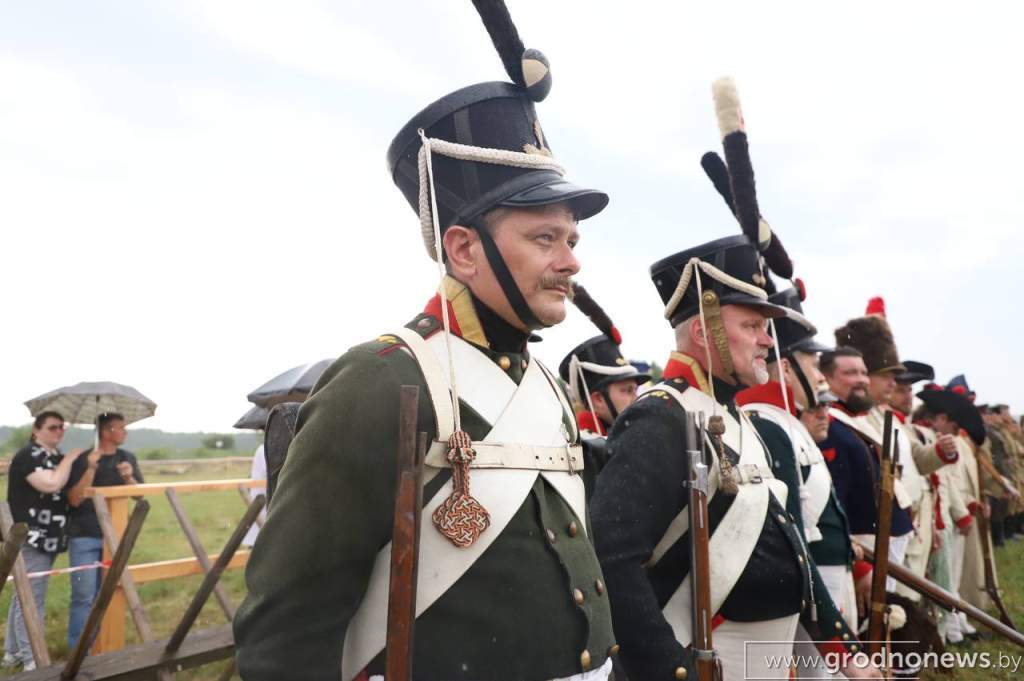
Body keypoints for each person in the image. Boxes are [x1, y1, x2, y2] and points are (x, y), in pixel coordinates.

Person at [234, 3, 616, 679]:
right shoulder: (380, 379)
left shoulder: (548, 385)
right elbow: (285, 628)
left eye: (572, 240)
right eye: (544, 238)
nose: (571, 262)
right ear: (463, 249)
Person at [591, 235, 872, 681]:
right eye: (752, 327)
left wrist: (843, 649)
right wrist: (671, 671)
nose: (767, 342)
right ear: (705, 332)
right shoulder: (658, 418)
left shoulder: (740, 420)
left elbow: (792, 546)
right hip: (709, 655)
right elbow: (613, 561)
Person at [735, 285, 860, 678]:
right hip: (807, 581)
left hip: (820, 575)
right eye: (812, 364)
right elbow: (791, 531)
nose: (819, 376)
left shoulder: (785, 424)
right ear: (786, 368)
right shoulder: (768, 423)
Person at [3, 411, 84, 671]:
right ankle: (31, 659)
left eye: (62, 427)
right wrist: (72, 458)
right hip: (32, 537)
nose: (59, 432)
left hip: (49, 537)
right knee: (32, 597)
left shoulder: (54, 457)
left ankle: (12, 652)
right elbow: (50, 484)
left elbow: (71, 488)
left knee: (23, 594)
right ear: (36, 430)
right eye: (52, 427)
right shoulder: (29, 456)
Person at [64, 412, 144, 650]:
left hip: (115, 537)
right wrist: (89, 469)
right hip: (84, 536)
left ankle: (102, 646)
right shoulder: (83, 459)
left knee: (109, 593)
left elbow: (139, 495)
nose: (126, 432)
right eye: (122, 428)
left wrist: (129, 477)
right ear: (106, 432)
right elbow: (74, 500)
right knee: (83, 597)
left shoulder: (127, 458)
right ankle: (79, 651)